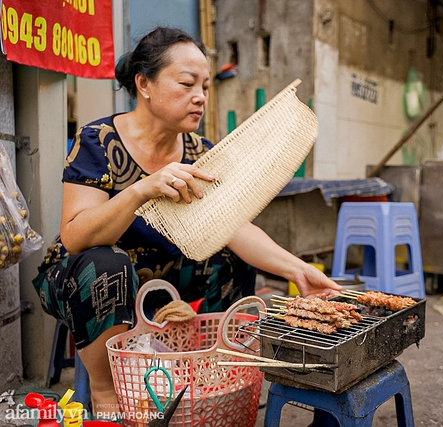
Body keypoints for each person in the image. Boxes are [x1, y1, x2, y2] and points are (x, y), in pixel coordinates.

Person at [31, 26, 342, 418]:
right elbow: (76, 236)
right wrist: (142, 190)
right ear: (144, 84)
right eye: (186, 83)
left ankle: (210, 372)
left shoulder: (201, 153)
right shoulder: (99, 139)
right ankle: (107, 393)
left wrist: (298, 270)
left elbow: (235, 227)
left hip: (164, 280)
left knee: (233, 256)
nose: (200, 97)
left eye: (206, 87)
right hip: (84, 281)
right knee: (106, 264)